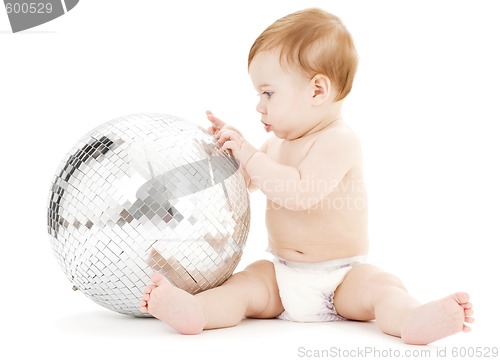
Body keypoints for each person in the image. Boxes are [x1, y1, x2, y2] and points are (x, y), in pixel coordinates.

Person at [140, 8, 473, 345]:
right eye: (258, 95)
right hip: (281, 275)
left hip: (342, 277)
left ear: (317, 91)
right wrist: (228, 154)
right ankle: (198, 312)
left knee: (382, 288)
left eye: (268, 93)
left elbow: (299, 194)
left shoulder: (338, 140)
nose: (259, 105)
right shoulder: (274, 144)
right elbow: (251, 183)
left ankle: (410, 318)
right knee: (242, 287)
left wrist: (250, 154)